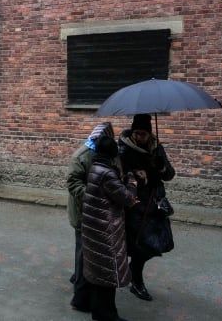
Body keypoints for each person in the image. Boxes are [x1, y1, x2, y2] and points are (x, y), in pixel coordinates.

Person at [118, 114, 175, 302]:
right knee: (134, 245)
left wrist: (160, 167)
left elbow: (169, 175)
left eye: (143, 133)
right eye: (136, 133)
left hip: (153, 204)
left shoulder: (156, 148)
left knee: (153, 245)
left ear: (149, 133)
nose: (138, 137)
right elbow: (116, 175)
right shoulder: (124, 148)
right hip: (133, 205)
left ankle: (133, 272)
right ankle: (135, 280)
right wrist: (133, 174)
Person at [82, 136, 138, 321]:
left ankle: (100, 311)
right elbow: (128, 199)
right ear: (112, 153)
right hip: (106, 231)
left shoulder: (95, 168)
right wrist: (132, 182)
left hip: (94, 228)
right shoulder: (107, 173)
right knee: (108, 272)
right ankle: (107, 314)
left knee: (99, 272)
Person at [66, 122, 115, 313]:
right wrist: (93, 196)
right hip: (83, 213)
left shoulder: (108, 153)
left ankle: (91, 292)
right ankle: (80, 298)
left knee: (93, 256)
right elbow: (73, 183)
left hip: (99, 214)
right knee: (83, 256)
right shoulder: (82, 156)